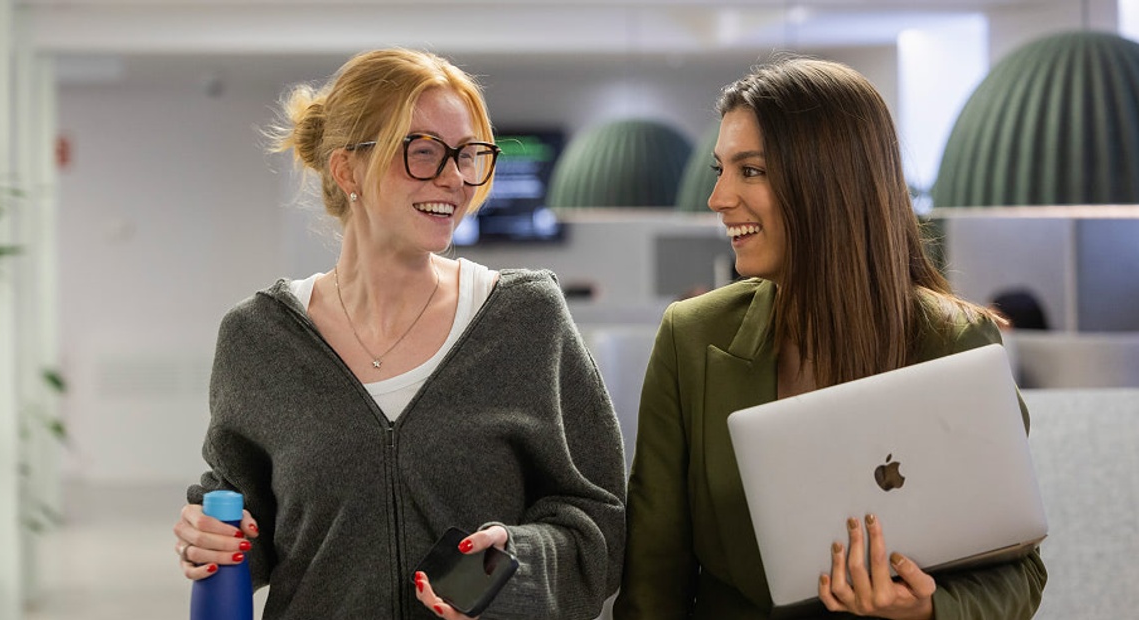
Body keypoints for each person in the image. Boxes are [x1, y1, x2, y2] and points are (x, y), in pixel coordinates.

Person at [171, 48, 626, 620]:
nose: (455, 179)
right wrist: (210, 536)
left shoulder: (524, 318)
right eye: (424, 152)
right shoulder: (259, 338)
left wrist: (518, 560)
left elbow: (598, 519)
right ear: (347, 170)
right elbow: (247, 526)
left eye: (469, 155)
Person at [614, 58, 1047, 619]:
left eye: (750, 171)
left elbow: (1019, 570)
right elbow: (654, 580)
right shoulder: (691, 337)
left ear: (829, 181)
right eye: (720, 170)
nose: (718, 198)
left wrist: (927, 609)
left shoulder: (952, 341)